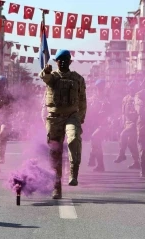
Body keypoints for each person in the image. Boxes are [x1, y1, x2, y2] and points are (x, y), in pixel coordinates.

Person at [39, 49, 87, 199]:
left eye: (66, 59)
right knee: (55, 153)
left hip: (72, 116)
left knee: (73, 138)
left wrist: (80, 117)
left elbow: (82, 100)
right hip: (54, 118)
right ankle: (56, 187)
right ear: (56, 62)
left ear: (70, 61)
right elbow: (44, 77)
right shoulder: (52, 77)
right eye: (61, 60)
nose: (64, 62)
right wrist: (45, 71)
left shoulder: (77, 78)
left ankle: (73, 172)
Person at [115, 80, 140, 170]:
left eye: (134, 87)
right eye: (130, 87)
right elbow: (123, 112)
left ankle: (121, 154)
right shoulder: (125, 98)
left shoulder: (138, 98)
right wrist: (122, 121)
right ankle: (136, 162)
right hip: (127, 122)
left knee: (123, 135)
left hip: (135, 122)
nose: (132, 89)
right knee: (131, 143)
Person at [88, 79, 111, 172]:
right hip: (94, 123)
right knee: (97, 144)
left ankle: (92, 157)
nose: (99, 89)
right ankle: (100, 165)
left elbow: (110, 110)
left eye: (101, 87)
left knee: (94, 139)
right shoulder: (94, 97)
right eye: (98, 87)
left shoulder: (107, 97)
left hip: (104, 124)